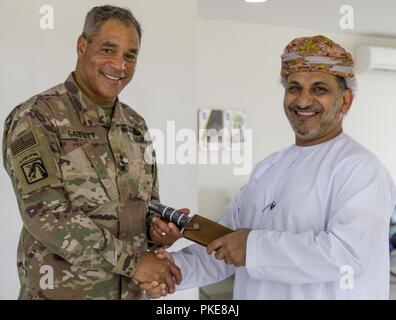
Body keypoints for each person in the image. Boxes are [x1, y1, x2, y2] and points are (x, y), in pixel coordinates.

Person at [144, 35, 396, 299]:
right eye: (294, 88)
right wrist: (170, 268)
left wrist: (252, 249)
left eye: (319, 89)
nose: (303, 101)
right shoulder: (268, 168)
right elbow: (224, 246)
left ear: (345, 100)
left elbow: (347, 255)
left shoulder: (361, 169)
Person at [2, 5, 186, 300]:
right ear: (82, 46)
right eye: (108, 50)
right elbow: (45, 215)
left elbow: (146, 207)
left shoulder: (135, 125)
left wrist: (156, 232)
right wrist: (135, 262)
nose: (119, 65)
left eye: (130, 55)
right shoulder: (37, 117)